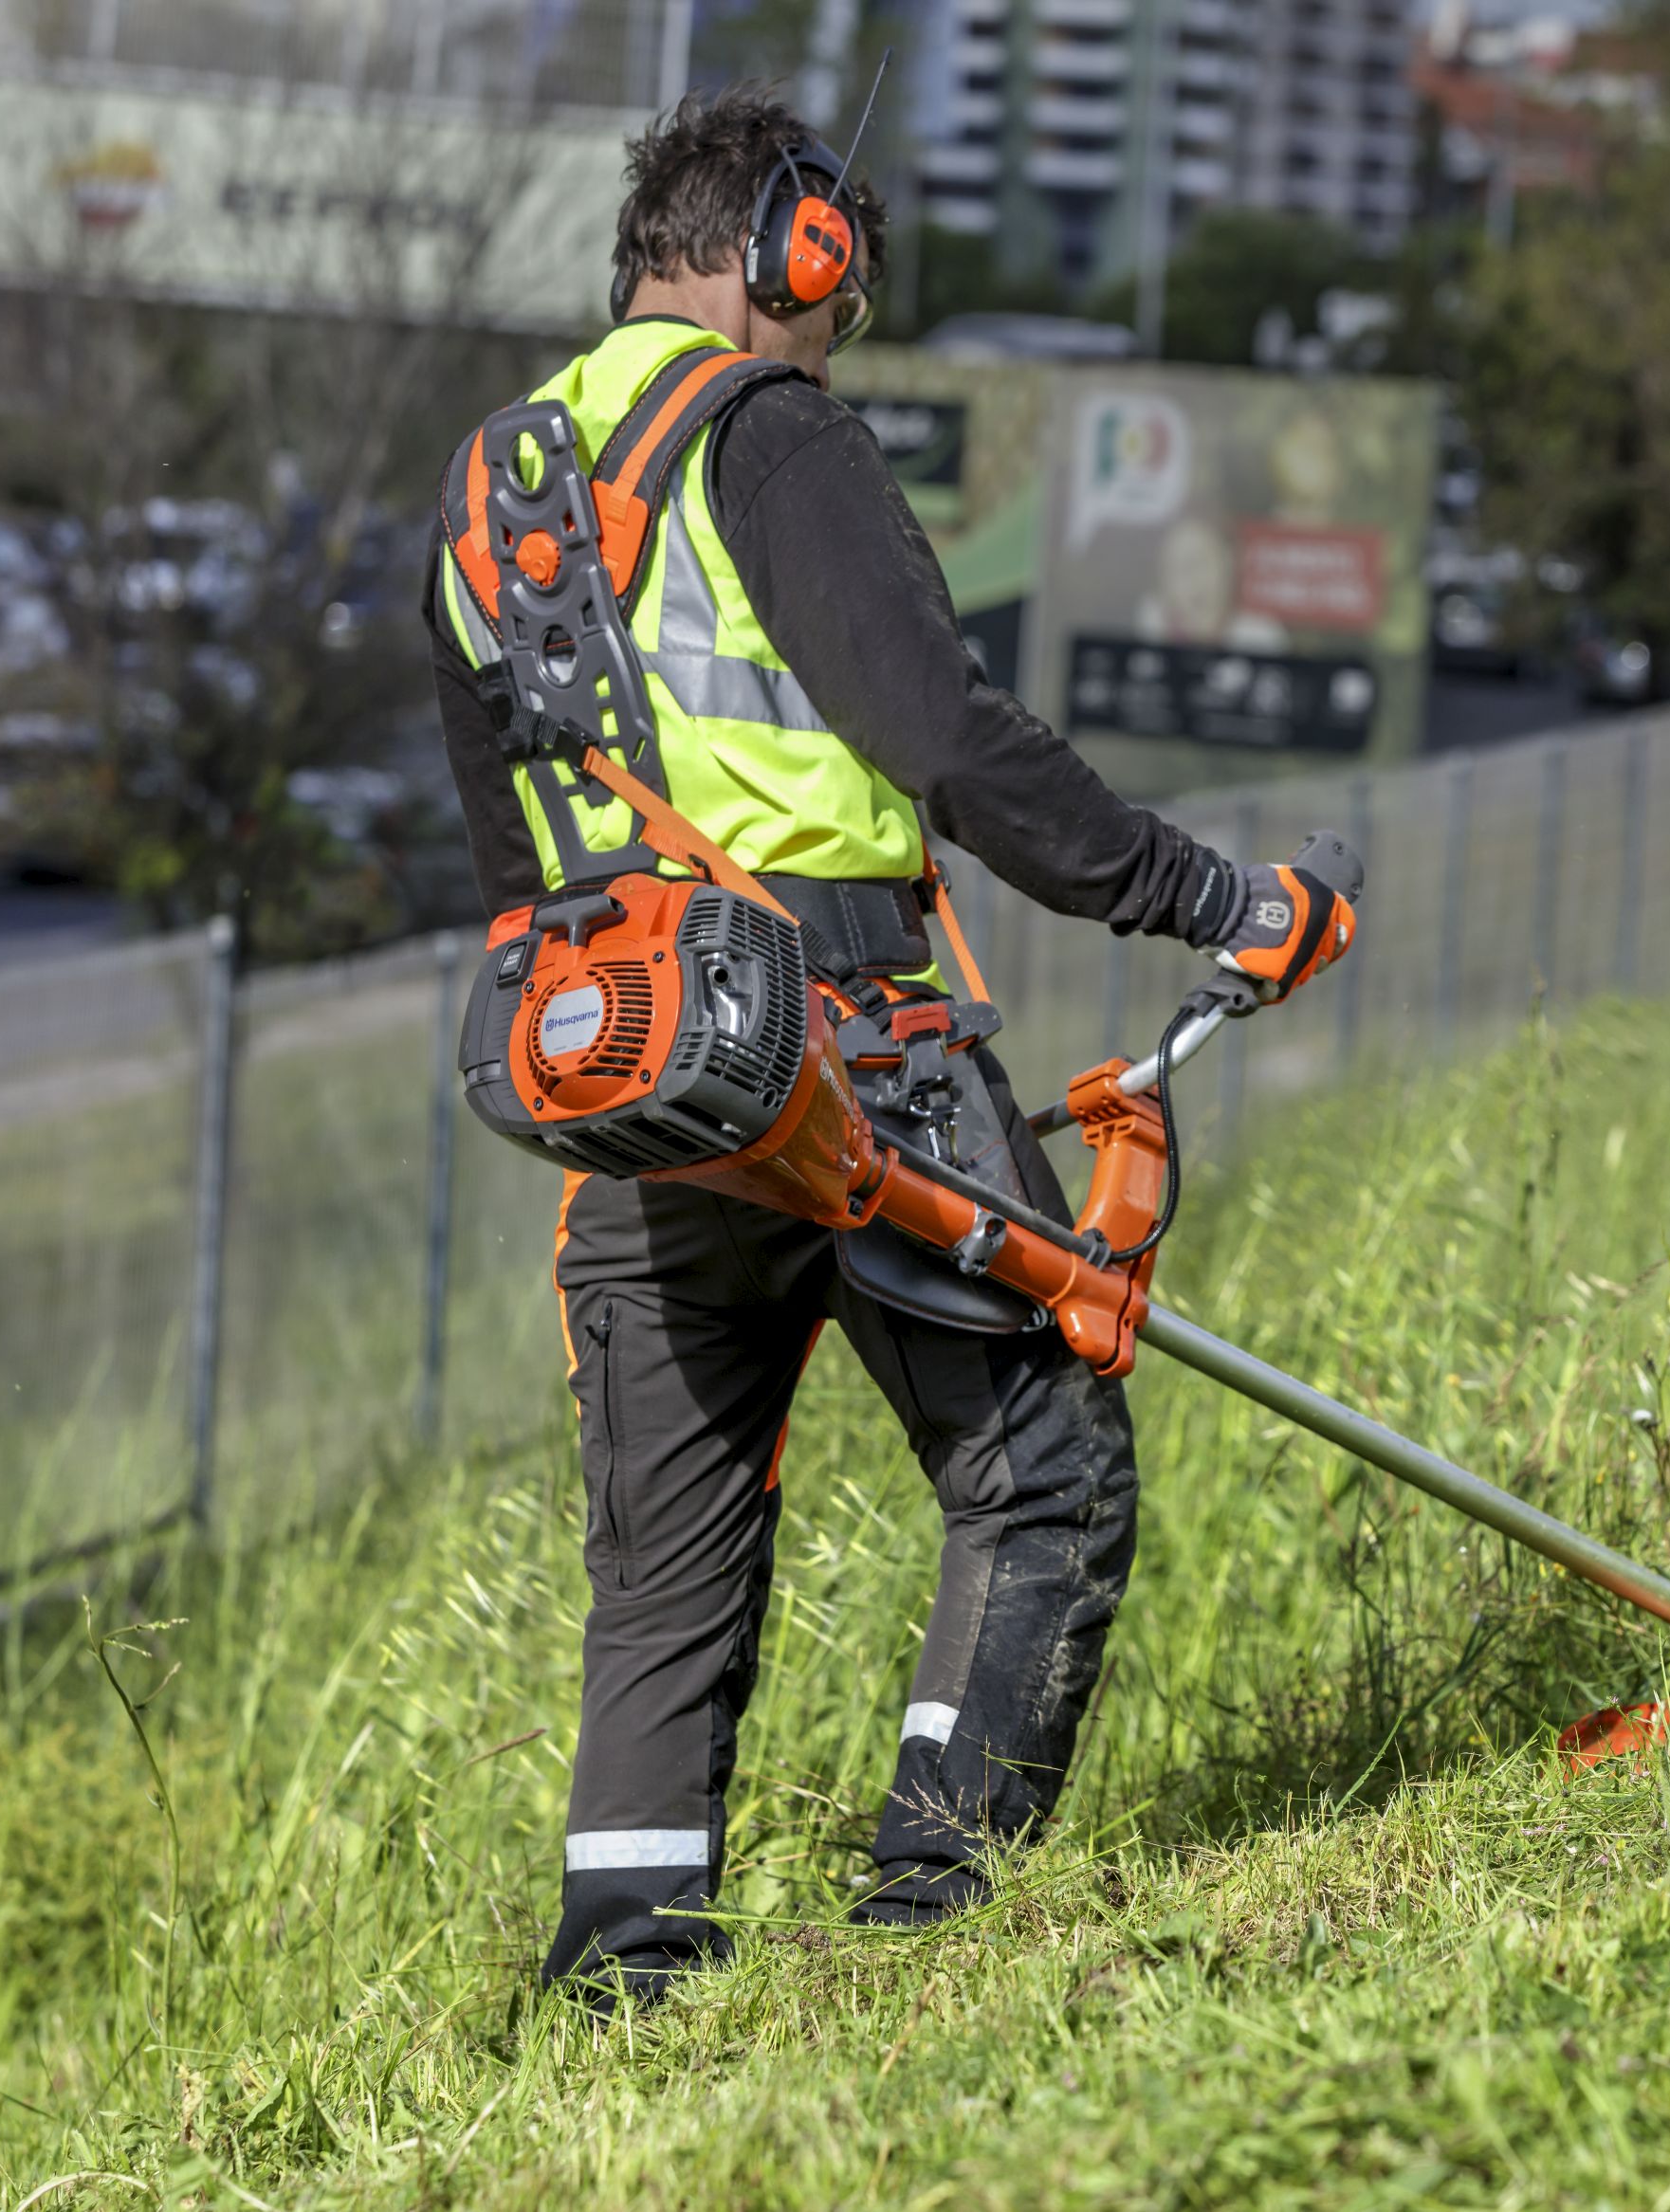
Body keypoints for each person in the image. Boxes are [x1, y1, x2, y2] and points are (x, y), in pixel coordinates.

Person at [422, 85, 1354, 2009]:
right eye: (836, 289)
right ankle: (933, 1927)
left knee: (664, 1567)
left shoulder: (493, 491)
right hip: (853, 1051)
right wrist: (1209, 898)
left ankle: (622, 1989)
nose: (839, 328)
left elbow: (513, 827)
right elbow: (943, 736)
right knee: (1043, 1473)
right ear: (794, 252)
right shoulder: (767, 438)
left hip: (633, 1067)